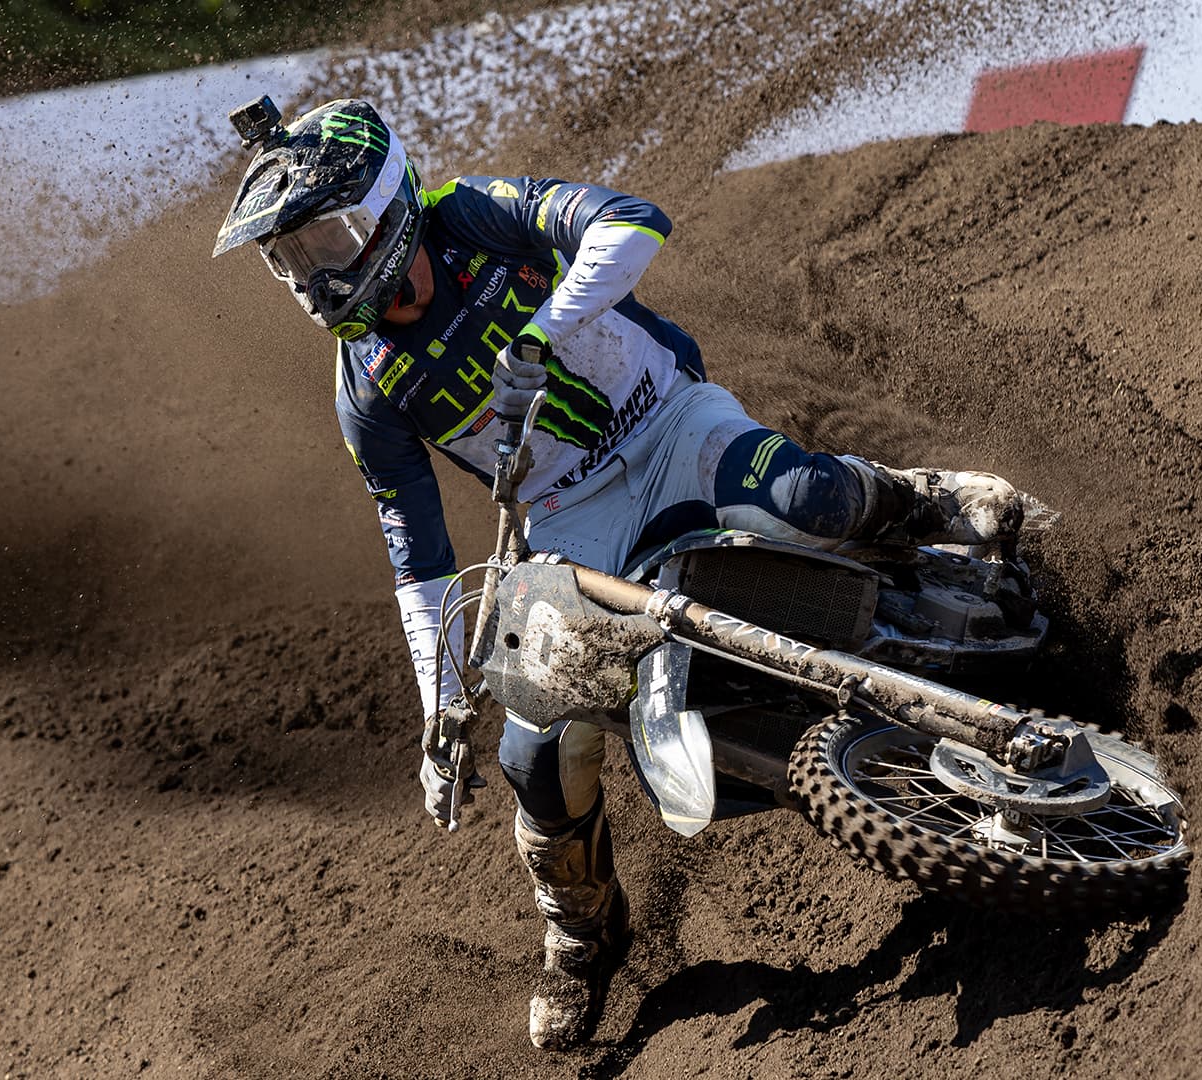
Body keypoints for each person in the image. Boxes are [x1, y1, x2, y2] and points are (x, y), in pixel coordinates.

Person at [213, 97, 1024, 1050]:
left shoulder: (469, 213)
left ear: (389, 204)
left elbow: (633, 222)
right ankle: (581, 932)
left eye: (328, 239)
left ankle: (922, 502)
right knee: (535, 750)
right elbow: (417, 557)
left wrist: (540, 331)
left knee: (803, 496)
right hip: (569, 522)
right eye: (291, 257)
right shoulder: (367, 385)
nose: (317, 276)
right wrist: (440, 708)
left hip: (670, 422)